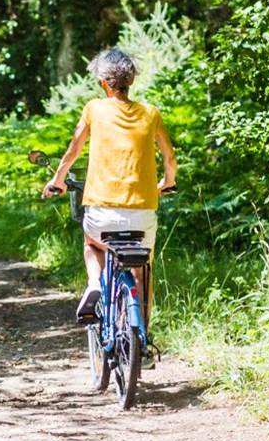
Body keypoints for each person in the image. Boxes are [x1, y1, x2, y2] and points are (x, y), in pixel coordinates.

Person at [42, 48, 178, 324]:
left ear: (104, 82)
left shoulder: (94, 109)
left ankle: (94, 283)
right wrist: (168, 182)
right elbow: (170, 158)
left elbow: (73, 151)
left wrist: (57, 181)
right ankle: (142, 333)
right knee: (143, 270)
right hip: (142, 215)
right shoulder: (150, 113)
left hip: (101, 213)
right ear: (131, 80)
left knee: (91, 245)